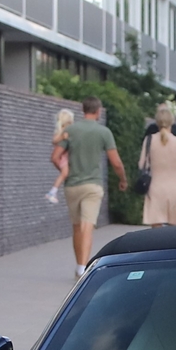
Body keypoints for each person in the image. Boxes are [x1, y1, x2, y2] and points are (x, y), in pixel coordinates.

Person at [61, 96, 124, 276]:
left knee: (76, 226)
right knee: (87, 226)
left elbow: (56, 155)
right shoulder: (103, 132)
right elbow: (116, 162)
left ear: (83, 110)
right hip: (92, 185)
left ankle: (79, 265)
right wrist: (123, 179)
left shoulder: (70, 130)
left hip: (72, 185)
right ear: (98, 111)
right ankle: (82, 268)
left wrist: (64, 170)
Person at [142, 101, 176, 227]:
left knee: (156, 232)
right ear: (172, 122)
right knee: (174, 231)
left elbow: (142, 163)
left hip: (155, 188)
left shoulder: (149, 140)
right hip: (173, 188)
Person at [45, 107, 74, 206]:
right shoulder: (62, 132)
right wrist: (62, 137)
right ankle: (52, 191)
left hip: (66, 157)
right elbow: (54, 140)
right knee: (64, 173)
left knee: (65, 174)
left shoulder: (66, 131)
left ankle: (54, 191)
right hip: (64, 158)